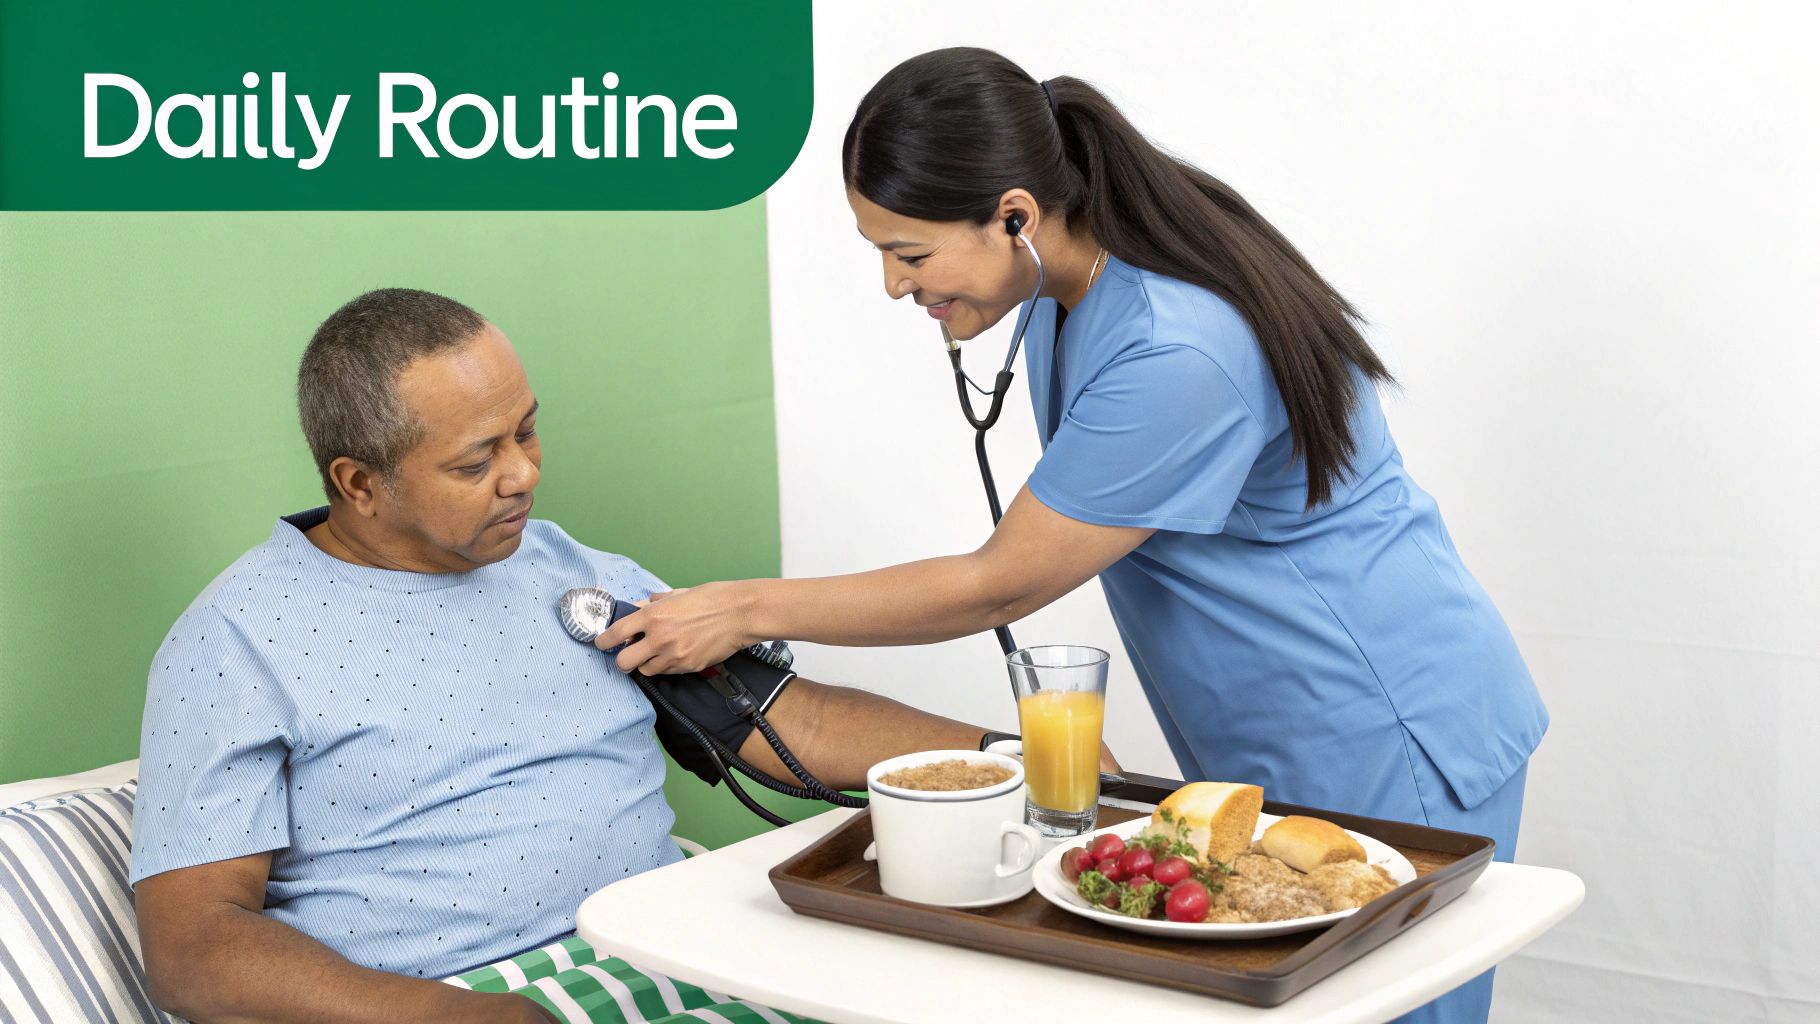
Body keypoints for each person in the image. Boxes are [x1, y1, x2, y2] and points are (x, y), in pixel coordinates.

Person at [594, 48, 1548, 1023]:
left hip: (1381, 731)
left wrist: (740, 607)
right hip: (1274, 729)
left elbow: (998, 584)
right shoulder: (1069, 290)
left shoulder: (1173, 346)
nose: (889, 284)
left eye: (911, 254)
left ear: (1013, 215)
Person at [130, 288, 1049, 1024]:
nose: (523, 473)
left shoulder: (570, 571)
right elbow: (196, 948)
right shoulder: (238, 640)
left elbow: (782, 718)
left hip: (668, 960)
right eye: (474, 460)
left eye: (525, 430)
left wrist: (1015, 765)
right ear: (360, 484)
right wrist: (453, 1018)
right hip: (443, 998)